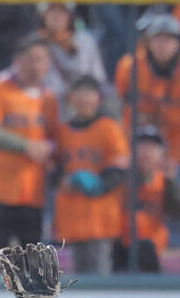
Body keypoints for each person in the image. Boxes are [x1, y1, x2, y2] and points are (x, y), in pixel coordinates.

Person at [0, 35, 58, 270]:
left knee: (33, 263)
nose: (36, 65)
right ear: (18, 60)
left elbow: (55, 136)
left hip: (32, 191)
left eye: (42, 60)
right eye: (31, 59)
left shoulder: (49, 98)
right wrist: (26, 146)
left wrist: (51, 149)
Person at [52, 76, 128, 275]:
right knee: (78, 276)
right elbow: (54, 167)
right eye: (79, 93)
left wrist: (100, 185)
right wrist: (63, 180)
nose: (84, 98)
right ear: (71, 98)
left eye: (89, 93)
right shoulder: (63, 131)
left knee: (100, 273)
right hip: (72, 215)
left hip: (101, 215)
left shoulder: (109, 128)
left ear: (98, 98)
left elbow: (119, 165)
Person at [115, 13, 180, 168]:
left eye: (169, 39)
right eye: (158, 39)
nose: (163, 45)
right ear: (148, 42)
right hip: (136, 139)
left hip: (174, 140)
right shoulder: (129, 67)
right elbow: (120, 105)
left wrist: (174, 158)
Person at [115, 126, 180, 273]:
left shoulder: (165, 182)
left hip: (154, 252)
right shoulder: (120, 178)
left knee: (146, 248)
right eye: (142, 145)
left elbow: (177, 212)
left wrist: (171, 184)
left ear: (162, 154)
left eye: (153, 147)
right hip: (122, 249)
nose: (147, 151)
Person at [35, 2, 107, 109]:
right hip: (47, 105)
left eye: (62, 12)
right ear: (43, 16)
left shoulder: (84, 41)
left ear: (70, 16)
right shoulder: (36, 44)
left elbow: (98, 77)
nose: (57, 16)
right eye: (51, 11)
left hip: (80, 106)